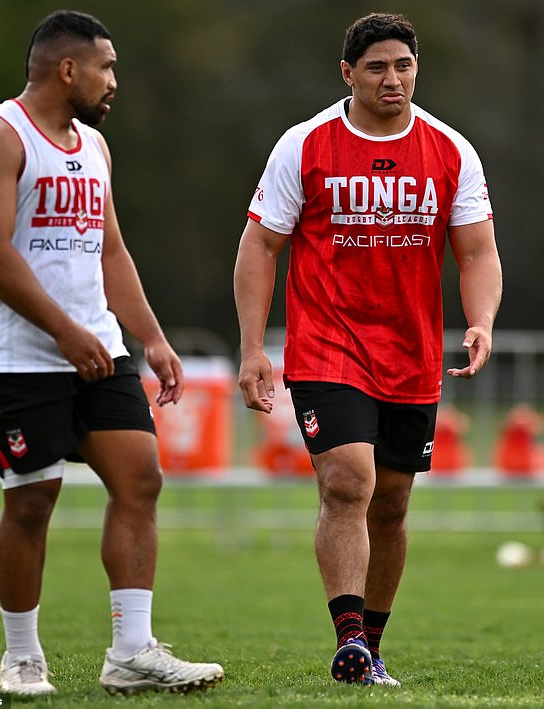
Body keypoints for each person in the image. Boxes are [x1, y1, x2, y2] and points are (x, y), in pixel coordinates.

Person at [0, 10, 223, 697]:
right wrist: (62, 331)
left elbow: (109, 251)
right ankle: (22, 657)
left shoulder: (95, 149)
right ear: (66, 69)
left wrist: (152, 338)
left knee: (140, 478)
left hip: (98, 348)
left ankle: (132, 651)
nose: (113, 83)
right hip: (16, 355)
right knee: (33, 500)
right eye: (106, 68)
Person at [234, 12, 501, 687]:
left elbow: (477, 251)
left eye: (404, 65)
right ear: (347, 73)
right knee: (351, 481)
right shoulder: (305, 145)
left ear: (417, 70)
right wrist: (251, 347)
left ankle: (370, 649)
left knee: (393, 502)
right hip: (327, 344)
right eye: (378, 67)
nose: (393, 79)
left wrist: (482, 319)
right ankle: (347, 636)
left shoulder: (450, 150)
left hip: (410, 354)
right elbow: (260, 246)